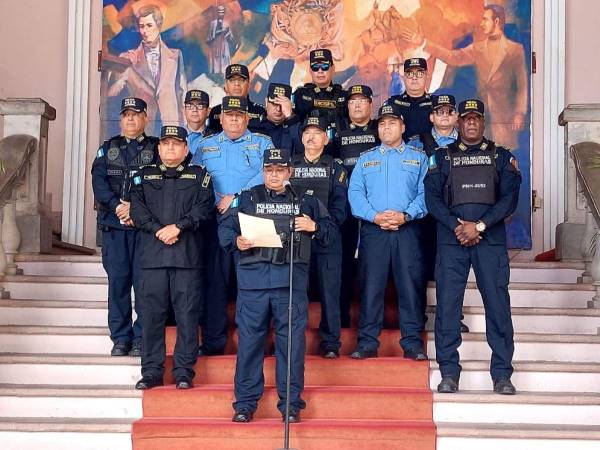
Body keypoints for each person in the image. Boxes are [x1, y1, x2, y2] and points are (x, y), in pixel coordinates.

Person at [219, 148, 334, 423]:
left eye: (280, 170)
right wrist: (237, 241)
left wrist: (313, 226)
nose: (274, 175)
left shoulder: (306, 201)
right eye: (269, 170)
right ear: (263, 172)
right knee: (249, 345)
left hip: (290, 284)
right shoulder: (246, 199)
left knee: (291, 346)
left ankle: (291, 404)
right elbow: (224, 230)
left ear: (289, 173)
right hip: (253, 284)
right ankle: (245, 404)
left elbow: (331, 234)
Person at [424, 99, 521, 395]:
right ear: (458, 122)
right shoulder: (441, 158)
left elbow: (509, 199)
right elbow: (432, 200)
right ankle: (449, 373)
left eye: (476, 118)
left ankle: (502, 374)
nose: (470, 123)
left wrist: (478, 226)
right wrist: (458, 225)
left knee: (497, 307)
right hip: (451, 241)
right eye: (465, 118)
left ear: (483, 122)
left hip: (488, 241)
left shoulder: (502, 157)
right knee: (448, 309)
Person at [130, 125, 215, 390]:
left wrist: (179, 227)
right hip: (152, 259)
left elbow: (204, 209)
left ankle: (183, 372)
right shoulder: (143, 176)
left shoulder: (200, 176)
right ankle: (151, 372)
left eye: (176, 144)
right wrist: (160, 230)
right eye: (165, 144)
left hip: (186, 259)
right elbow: (138, 210)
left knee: (187, 317)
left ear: (186, 148)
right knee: (151, 317)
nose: (170, 148)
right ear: (158, 148)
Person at [192, 96, 274, 356]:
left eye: (240, 115)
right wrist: (220, 200)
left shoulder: (263, 143)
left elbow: (270, 173)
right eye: (230, 115)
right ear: (221, 118)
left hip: (253, 218)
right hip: (216, 219)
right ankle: (214, 343)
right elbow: (196, 177)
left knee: (253, 284)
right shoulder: (206, 145)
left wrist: (235, 196)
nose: (235, 119)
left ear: (247, 118)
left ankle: (255, 343)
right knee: (215, 282)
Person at [348, 102, 429, 361]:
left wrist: (406, 215)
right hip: (375, 230)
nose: (386, 128)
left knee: (410, 287)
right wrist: (375, 216)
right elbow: (355, 193)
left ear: (403, 127)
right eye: (382, 124)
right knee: (371, 288)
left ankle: (412, 344)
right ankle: (367, 342)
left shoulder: (418, 158)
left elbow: (427, 194)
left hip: (408, 230)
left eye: (392, 123)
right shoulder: (366, 159)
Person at [403, 4, 528, 148]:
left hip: (505, 115)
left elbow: (522, 84)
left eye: (485, 19)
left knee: (505, 157)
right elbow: (453, 57)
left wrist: (519, 113)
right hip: (481, 114)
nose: (481, 23)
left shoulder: (515, 50)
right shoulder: (478, 48)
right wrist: (424, 43)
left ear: (497, 22)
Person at [91, 97, 159, 357]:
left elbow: (157, 185)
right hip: (114, 228)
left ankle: (142, 337)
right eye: (126, 115)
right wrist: (118, 206)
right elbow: (99, 183)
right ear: (121, 119)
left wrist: (135, 210)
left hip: (143, 231)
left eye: (135, 114)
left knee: (144, 286)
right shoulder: (108, 149)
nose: (130, 119)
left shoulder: (155, 149)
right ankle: (120, 338)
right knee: (118, 285)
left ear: (145, 118)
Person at [407, 94, 470, 333]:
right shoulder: (416, 143)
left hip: (453, 216)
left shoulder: (468, 142)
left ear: (456, 116)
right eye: (439, 111)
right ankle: (417, 319)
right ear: (431, 116)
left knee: (451, 269)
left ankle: (453, 318)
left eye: (449, 111)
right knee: (417, 268)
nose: (444, 115)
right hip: (422, 215)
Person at [290, 115, 348, 358]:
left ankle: (331, 344)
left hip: (326, 241)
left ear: (326, 138)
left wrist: (317, 227)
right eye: (307, 132)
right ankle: (293, 341)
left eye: (317, 132)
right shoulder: (289, 166)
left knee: (330, 294)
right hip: (295, 241)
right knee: (293, 294)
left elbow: (340, 210)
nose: (311, 137)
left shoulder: (336, 168)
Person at [333, 84, 380, 327]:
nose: (358, 105)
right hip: (347, 210)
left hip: (375, 209)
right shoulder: (338, 133)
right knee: (344, 264)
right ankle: (342, 316)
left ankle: (372, 320)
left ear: (371, 104)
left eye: (362, 100)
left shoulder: (380, 130)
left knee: (374, 267)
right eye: (353, 101)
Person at [107, 5, 187, 134]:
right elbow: (111, 93)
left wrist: (184, 131)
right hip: (141, 132)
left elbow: (182, 95)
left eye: (149, 25)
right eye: (141, 26)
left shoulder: (176, 56)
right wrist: (122, 68)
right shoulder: (127, 58)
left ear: (159, 25)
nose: (144, 31)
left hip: (170, 132)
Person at [292, 48, 348, 151]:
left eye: (325, 66)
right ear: (310, 70)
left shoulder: (344, 95)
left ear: (333, 68)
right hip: (309, 151)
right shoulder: (300, 95)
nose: (320, 71)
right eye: (315, 67)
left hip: (339, 149)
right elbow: (292, 125)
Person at [206, 64, 266, 134]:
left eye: (241, 80)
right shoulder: (216, 112)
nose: (237, 83)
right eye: (232, 80)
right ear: (225, 85)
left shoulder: (261, 112)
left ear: (249, 84)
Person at [387, 58, 433, 141]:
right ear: (404, 77)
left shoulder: (436, 102)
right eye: (410, 74)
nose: (414, 78)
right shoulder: (393, 103)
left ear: (427, 75)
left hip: (432, 151)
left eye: (419, 73)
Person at [249, 82, 303, 155]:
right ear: (266, 102)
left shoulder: (296, 127)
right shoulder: (252, 125)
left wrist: (290, 116)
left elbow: (305, 149)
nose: (278, 109)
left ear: (289, 105)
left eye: (282, 105)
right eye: (274, 103)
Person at [207, 5, 235, 75]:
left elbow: (231, 38)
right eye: (219, 12)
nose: (221, 14)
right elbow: (209, 38)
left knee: (224, 66)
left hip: (224, 47)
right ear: (217, 13)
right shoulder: (213, 24)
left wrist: (227, 34)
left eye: (222, 13)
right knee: (215, 65)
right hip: (215, 46)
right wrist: (216, 35)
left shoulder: (226, 24)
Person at [184, 89, 211, 155]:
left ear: (208, 111)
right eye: (190, 106)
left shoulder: (216, 138)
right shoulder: (176, 137)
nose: (194, 110)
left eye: (200, 106)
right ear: (184, 110)